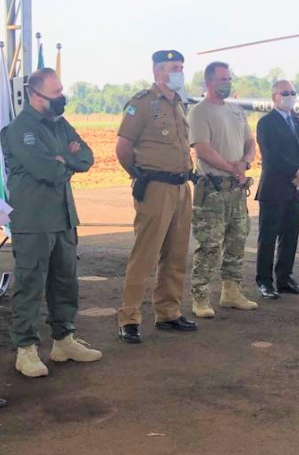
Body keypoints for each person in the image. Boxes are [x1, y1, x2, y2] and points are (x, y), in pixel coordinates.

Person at [1, 68, 102, 377]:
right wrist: (64, 160)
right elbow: (46, 170)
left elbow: (86, 157)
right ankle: (26, 349)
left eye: (61, 91)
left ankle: (64, 340)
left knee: (65, 281)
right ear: (35, 95)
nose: (61, 98)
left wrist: (63, 159)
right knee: (30, 284)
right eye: (55, 93)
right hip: (34, 220)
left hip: (63, 217)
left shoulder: (60, 123)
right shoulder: (20, 129)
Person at [116, 50, 198, 343]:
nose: (180, 72)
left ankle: (168, 312)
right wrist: (139, 175)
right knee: (145, 254)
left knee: (176, 253)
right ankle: (129, 318)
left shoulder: (179, 104)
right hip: (155, 187)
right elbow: (123, 148)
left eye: (182, 67)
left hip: (181, 187)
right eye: (174, 67)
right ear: (158, 72)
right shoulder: (142, 103)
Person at [188, 61, 258, 317]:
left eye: (229, 79)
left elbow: (250, 142)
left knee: (237, 240)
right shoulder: (199, 112)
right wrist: (232, 167)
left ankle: (231, 292)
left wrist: (245, 163)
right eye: (222, 79)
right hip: (213, 189)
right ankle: (200, 297)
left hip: (236, 188)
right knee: (210, 244)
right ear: (208, 82)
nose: (227, 83)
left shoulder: (236, 111)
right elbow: (202, 148)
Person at [255, 79, 299, 299]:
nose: (290, 96)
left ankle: (285, 278)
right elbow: (272, 156)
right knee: (268, 237)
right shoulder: (266, 123)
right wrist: (295, 172)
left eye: (292, 92)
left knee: (290, 236)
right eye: (284, 93)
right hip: (274, 188)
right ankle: (264, 281)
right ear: (274, 97)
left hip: (296, 188)